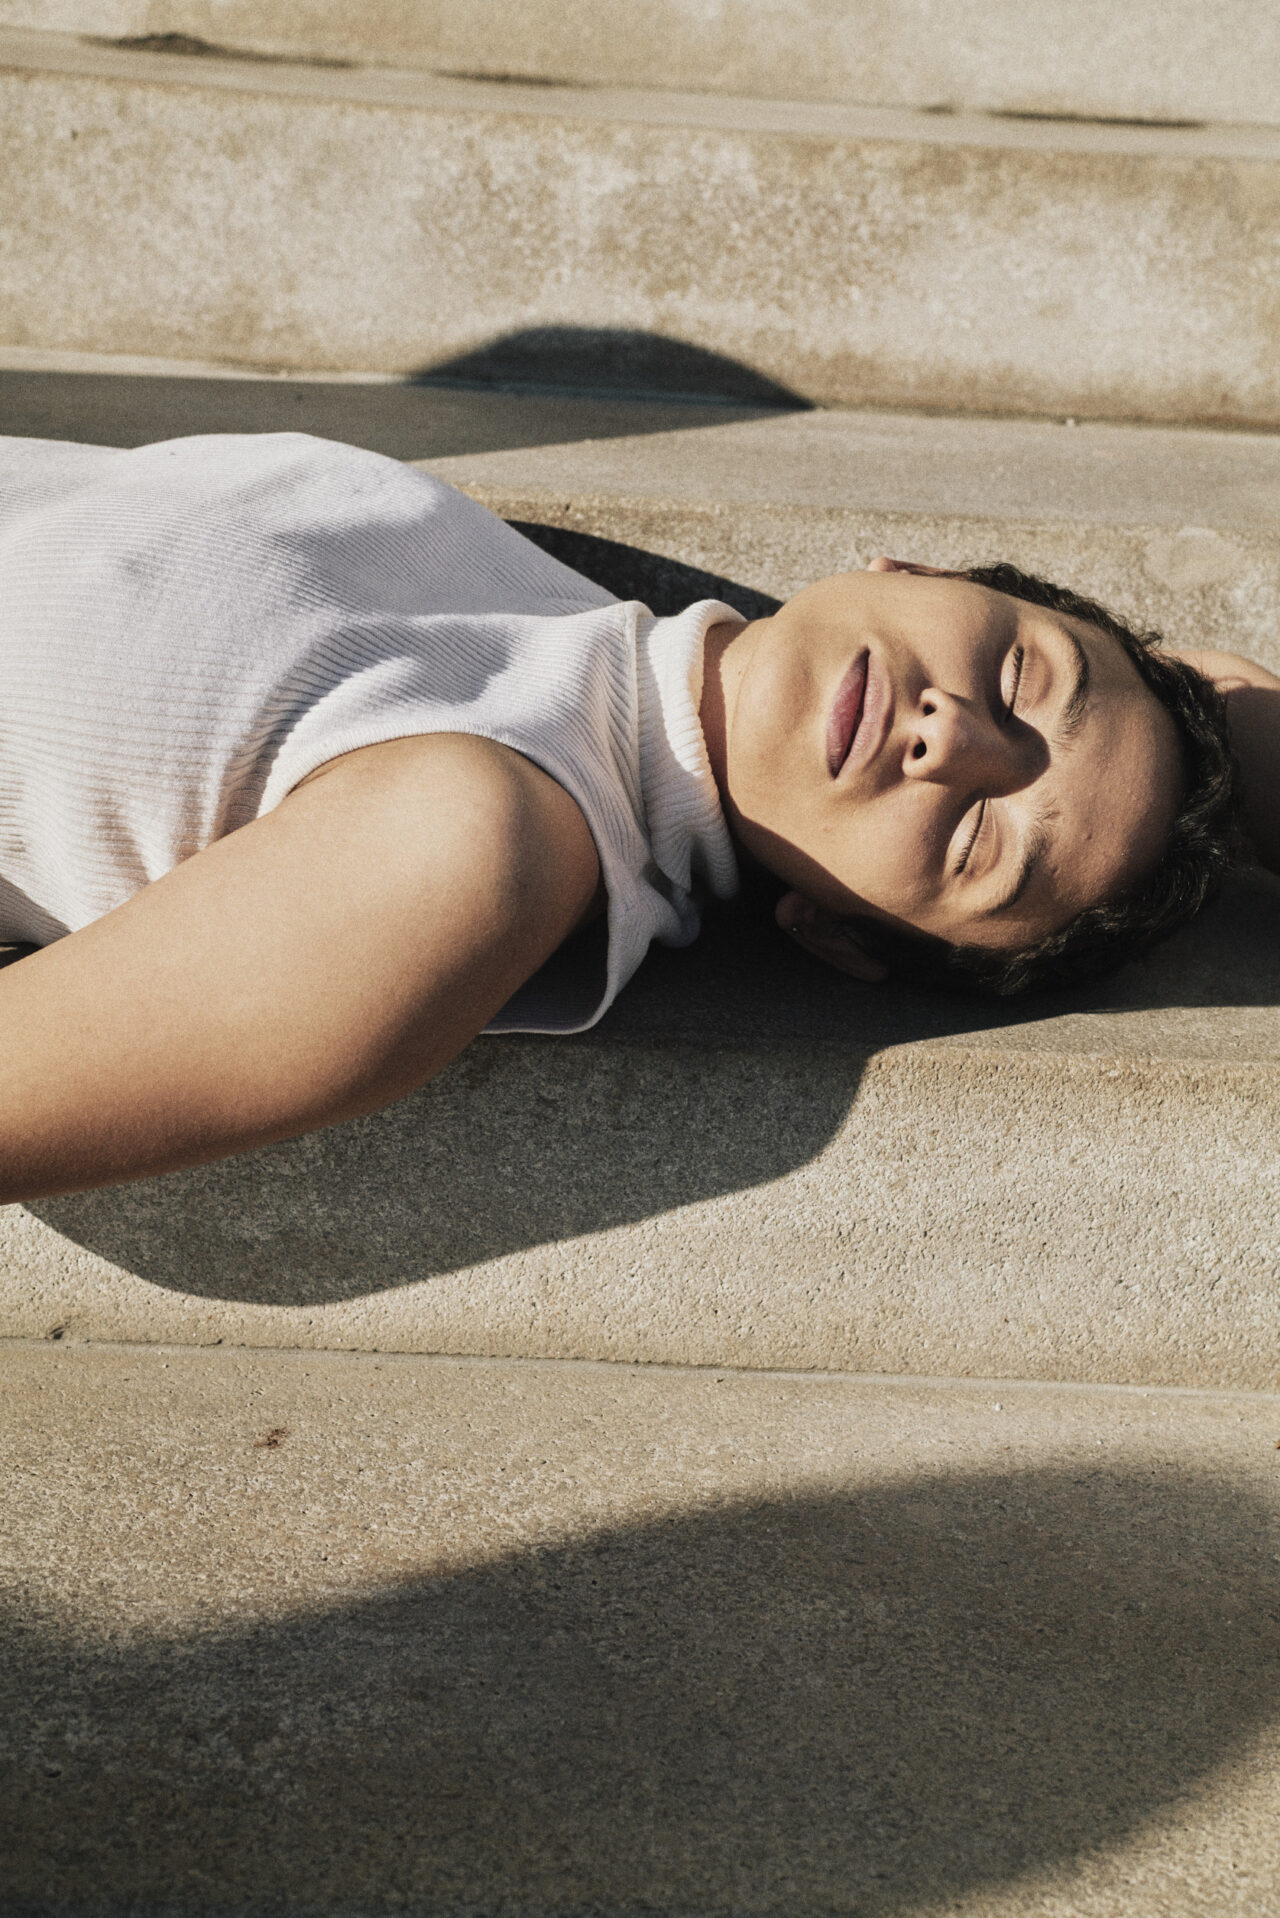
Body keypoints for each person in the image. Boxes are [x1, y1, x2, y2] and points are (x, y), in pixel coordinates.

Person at [0, 431, 1250, 1204]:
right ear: (916, 571)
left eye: (977, 842)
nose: (954, 738)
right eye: (1026, 674)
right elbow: (1205, 704)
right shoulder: (537, 624)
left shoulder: (471, 843)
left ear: (834, 937)